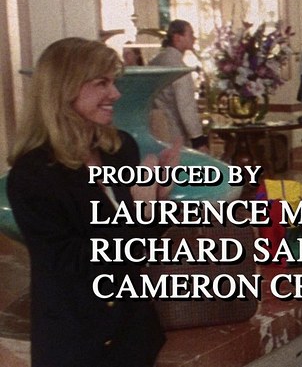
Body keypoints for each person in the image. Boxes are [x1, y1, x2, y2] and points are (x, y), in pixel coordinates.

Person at [7, 37, 179, 366]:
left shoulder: (120, 148)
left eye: (114, 82)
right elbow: (76, 267)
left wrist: (158, 200)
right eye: (102, 83)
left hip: (136, 335)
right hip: (79, 345)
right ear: (65, 88)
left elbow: (141, 247)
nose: (115, 94)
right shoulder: (32, 176)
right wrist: (141, 212)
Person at [150, 19, 209, 152]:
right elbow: (186, 106)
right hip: (175, 132)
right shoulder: (178, 68)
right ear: (177, 38)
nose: (194, 38)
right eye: (191, 34)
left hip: (155, 130)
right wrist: (198, 139)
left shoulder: (156, 60)